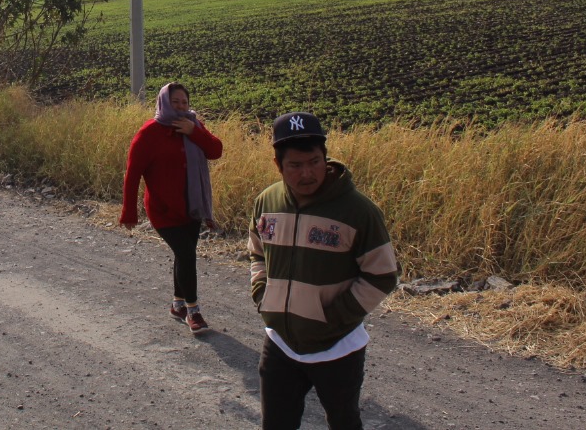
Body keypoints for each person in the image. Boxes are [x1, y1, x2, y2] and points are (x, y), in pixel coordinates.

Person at [248, 112, 398, 430]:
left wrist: (334, 317)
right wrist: (262, 293)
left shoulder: (358, 211)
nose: (307, 173)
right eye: (295, 165)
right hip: (280, 343)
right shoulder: (267, 202)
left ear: (325, 158)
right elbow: (257, 251)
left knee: (344, 422)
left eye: (314, 162)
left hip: (338, 347)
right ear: (278, 165)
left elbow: (382, 274)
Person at [120, 82, 223, 335]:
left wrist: (194, 132)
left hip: (191, 207)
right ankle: (193, 311)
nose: (180, 107)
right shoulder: (149, 133)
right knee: (187, 256)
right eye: (175, 102)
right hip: (163, 210)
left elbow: (215, 151)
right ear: (164, 102)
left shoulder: (193, 125)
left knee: (184, 255)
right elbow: (133, 174)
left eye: (184, 103)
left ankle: (178, 305)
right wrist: (129, 212)